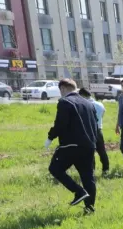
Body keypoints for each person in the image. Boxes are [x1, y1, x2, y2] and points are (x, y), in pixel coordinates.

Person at [45, 78, 98, 214]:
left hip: (71, 145)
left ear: (63, 88)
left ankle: (78, 191)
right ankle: (90, 208)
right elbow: (95, 125)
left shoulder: (65, 102)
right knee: (88, 177)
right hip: (89, 145)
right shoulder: (89, 103)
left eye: (60, 91)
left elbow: (60, 124)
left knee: (55, 168)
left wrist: (50, 137)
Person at [77, 88, 109, 175]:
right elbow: (103, 114)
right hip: (98, 130)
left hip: (88, 131)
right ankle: (106, 169)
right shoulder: (100, 104)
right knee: (102, 151)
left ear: (82, 96)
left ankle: (92, 171)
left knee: (90, 152)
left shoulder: (84, 105)